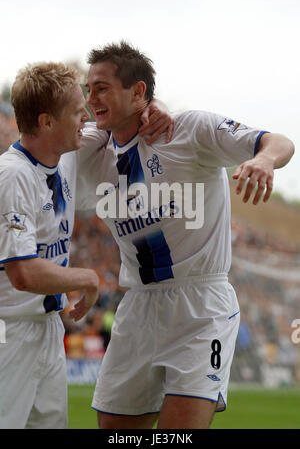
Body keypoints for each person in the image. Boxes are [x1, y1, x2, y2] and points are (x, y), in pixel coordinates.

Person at [78, 41, 295, 429]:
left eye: (102, 87)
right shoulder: (91, 150)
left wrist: (263, 159)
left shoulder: (190, 128)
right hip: (137, 307)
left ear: (139, 91)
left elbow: (279, 141)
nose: (91, 97)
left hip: (201, 307)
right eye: (88, 88)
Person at [0, 61, 172, 429]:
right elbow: (23, 272)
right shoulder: (13, 175)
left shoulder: (66, 155)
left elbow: (123, 125)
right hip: (9, 330)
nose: (86, 118)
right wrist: (88, 278)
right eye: (78, 112)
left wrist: (153, 109)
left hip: (46, 329)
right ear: (46, 122)